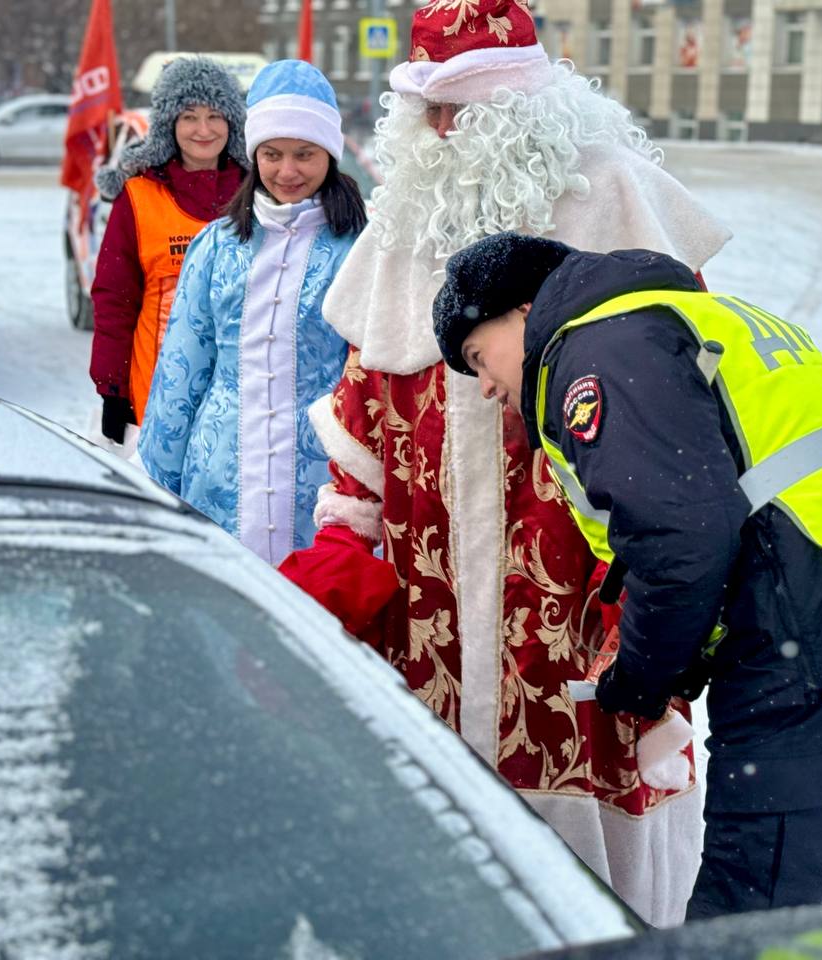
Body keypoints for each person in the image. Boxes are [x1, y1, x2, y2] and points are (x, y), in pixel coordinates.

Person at [278, 0, 731, 926]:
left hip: (576, 612)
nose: (442, 133)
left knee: (593, 871)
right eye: (428, 113)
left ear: (528, 107)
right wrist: (342, 552)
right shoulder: (399, 222)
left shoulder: (614, 196)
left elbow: (688, 426)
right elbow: (364, 420)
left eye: (464, 111)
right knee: (439, 855)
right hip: (428, 613)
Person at [430, 232, 822, 918]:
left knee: (753, 909)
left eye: (480, 357)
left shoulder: (599, 348)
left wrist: (641, 680)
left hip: (801, 628)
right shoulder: (679, 316)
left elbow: (677, 536)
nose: (485, 385)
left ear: (521, 308)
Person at [138, 60, 368, 565]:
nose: (288, 171)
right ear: (253, 155)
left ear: (329, 153)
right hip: (219, 478)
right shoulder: (217, 246)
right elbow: (182, 371)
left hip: (321, 487)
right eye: (272, 154)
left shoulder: (363, 249)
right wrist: (157, 481)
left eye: (304, 154)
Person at [90, 57, 249, 443]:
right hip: (157, 393)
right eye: (189, 116)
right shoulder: (139, 197)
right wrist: (113, 390)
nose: (203, 130)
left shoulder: (258, 193)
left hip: (243, 398)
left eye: (215, 116)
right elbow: (115, 300)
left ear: (233, 123)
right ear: (168, 125)